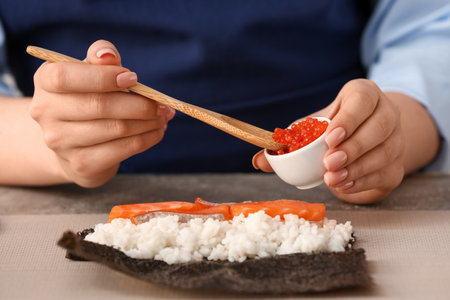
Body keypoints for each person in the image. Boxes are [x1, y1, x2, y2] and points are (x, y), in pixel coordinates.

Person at [0, 0, 449, 204]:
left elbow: (430, 34)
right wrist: (54, 142)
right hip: (76, 204)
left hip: (339, 187)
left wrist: (388, 133)